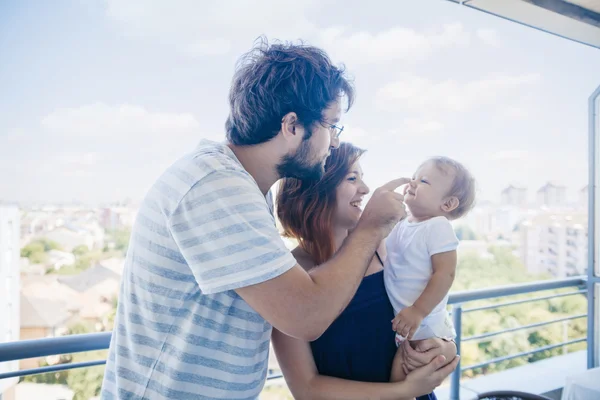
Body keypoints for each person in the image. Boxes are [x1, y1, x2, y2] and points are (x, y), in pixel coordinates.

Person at [100, 38, 411, 400]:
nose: (336, 143)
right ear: (292, 126)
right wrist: (371, 226)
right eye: (332, 126)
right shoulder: (216, 185)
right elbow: (306, 316)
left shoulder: (243, 187)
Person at [273, 143, 460, 400]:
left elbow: (429, 310)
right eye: (352, 178)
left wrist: (443, 348)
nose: (366, 189)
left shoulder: (384, 247)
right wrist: (402, 391)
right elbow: (306, 388)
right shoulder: (286, 275)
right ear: (315, 187)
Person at [387, 157, 476, 382]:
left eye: (424, 181)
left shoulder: (438, 226)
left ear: (447, 204)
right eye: (415, 177)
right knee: (399, 379)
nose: (413, 182)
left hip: (425, 325)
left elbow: (445, 274)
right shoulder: (403, 224)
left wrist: (418, 310)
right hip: (407, 326)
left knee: (402, 378)